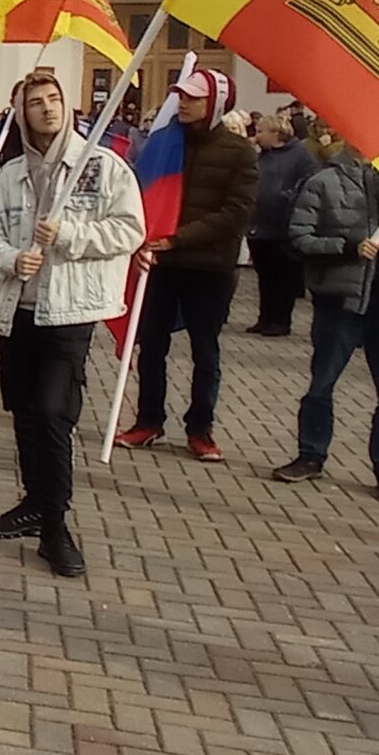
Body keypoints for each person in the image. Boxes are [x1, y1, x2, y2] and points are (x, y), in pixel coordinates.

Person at [0, 70, 145, 578]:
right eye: (35, 102)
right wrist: (8, 258)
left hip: (69, 312)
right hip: (19, 310)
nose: (46, 109)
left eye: (54, 100)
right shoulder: (11, 175)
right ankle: (33, 502)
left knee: (52, 413)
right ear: (21, 113)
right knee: (25, 412)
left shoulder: (101, 167)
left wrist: (68, 234)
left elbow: (129, 228)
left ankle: (55, 525)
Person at [117, 68, 256, 461]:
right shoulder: (166, 143)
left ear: (215, 103)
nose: (184, 103)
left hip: (209, 269)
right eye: (182, 96)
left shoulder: (239, 150)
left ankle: (200, 429)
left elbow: (236, 212)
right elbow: (143, 193)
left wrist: (179, 237)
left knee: (205, 353)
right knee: (151, 346)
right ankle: (148, 420)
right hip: (162, 264)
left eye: (194, 97)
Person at [272, 137, 379, 496]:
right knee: (322, 384)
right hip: (341, 301)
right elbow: (299, 239)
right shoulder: (324, 181)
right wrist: (347, 248)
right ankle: (310, 454)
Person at [246, 112, 319, 336]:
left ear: (276, 133)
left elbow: (311, 181)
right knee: (264, 274)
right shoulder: (261, 155)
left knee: (283, 277)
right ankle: (265, 317)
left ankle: (281, 319)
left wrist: (289, 196)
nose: (256, 136)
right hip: (259, 224)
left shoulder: (300, 155)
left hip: (283, 226)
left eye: (260, 132)